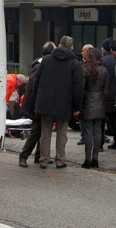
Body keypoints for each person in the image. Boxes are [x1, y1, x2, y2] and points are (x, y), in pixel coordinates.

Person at [31, 36, 84, 169]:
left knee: (45, 133)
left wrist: (37, 99)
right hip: (64, 103)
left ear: (59, 45)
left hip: (45, 102)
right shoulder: (75, 63)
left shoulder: (46, 59)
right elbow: (78, 87)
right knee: (62, 133)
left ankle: (44, 160)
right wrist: (77, 106)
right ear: (71, 48)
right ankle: (60, 160)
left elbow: (36, 81)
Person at [19, 42, 56, 167]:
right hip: (37, 104)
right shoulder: (40, 65)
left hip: (40, 103)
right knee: (36, 131)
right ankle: (23, 156)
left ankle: (39, 156)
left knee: (42, 130)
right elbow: (34, 88)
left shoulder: (41, 63)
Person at [80, 48, 108, 168]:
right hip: (100, 102)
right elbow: (106, 90)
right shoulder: (104, 71)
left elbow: (81, 89)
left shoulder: (85, 69)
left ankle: (87, 159)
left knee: (88, 133)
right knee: (98, 132)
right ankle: (95, 158)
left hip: (87, 102)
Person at [102, 38, 116, 150]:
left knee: (101, 119)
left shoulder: (104, 60)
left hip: (106, 93)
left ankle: (99, 143)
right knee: (114, 119)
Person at [78, 44, 95, 146]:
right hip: (84, 95)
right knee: (82, 118)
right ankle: (83, 136)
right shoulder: (81, 63)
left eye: (83, 51)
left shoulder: (94, 66)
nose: (81, 53)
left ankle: (88, 137)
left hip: (90, 94)